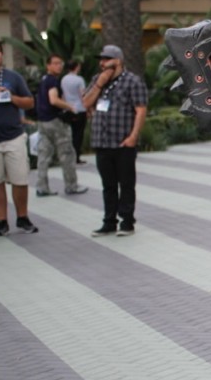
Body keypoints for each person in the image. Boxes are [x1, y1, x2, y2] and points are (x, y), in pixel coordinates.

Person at [82, 44, 148, 236]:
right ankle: (109, 221)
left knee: (126, 184)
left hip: (123, 142)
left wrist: (133, 137)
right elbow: (85, 103)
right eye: (101, 60)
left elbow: (141, 110)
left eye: (106, 59)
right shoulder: (97, 81)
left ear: (117, 61)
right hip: (102, 142)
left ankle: (127, 222)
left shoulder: (132, 81)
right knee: (108, 185)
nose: (102, 63)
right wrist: (99, 84)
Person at [0, 39, 38, 236]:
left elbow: (29, 103)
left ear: (2, 55)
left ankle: (22, 217)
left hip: (14, 136)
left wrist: (12, 97)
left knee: (20, 179)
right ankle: (2, 221)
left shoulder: (14, 77)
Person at [34, 54, 88, 197]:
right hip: (55, 121)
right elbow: (53, 100)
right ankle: (71, 185)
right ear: (48, 65)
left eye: (60, 63)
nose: (59, 66)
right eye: (56, 63)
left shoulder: (44, 80)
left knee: (44, 154)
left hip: (42, 121)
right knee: (67, 153)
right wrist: (69, 107)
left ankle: (42, 186)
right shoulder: (52, 81)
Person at [61, 60, 88, 164]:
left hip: (68, 108)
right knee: (78, 134)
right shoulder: (79, 80)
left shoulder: (64, 79)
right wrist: (88, 108)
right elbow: (83, 95)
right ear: (76, 67)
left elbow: (63, 94)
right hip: (79, 109)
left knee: (70, 133)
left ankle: (69, 155)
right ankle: (76, 155)